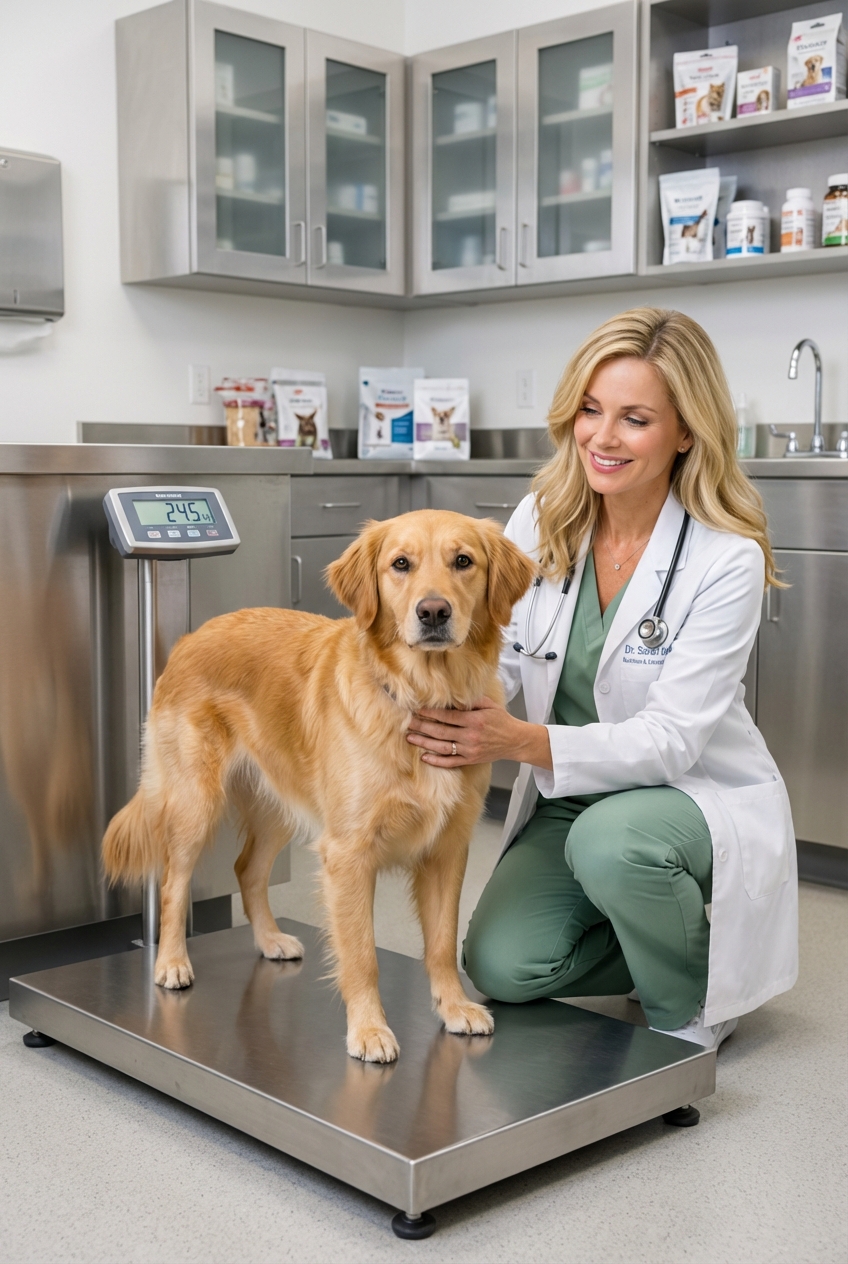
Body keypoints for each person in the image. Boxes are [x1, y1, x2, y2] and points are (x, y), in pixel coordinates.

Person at [406, 307, 798, 1050]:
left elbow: (673, 742)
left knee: (612, 846)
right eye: (590, 410)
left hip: (685, 794)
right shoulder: (542, 519)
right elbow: (504, 661)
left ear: (686, 431)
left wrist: (517, 740)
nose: (602, 437)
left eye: (635, 419)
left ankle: (691, 1003)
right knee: (500, 966)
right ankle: (676, 938)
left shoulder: (726, 558)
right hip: (569, 794)